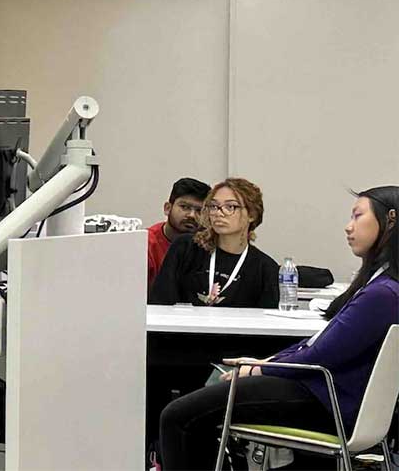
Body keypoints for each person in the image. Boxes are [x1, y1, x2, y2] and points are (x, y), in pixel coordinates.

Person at [158, 186, 399, 470]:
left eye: (358, 216)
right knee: (195, 410)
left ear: (390, 220)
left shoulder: (382, 293)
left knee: (177, 416)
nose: (348, 227)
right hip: (325, 393)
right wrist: (267, 361)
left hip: (326, 398)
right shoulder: (380, 287)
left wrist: (260, 368)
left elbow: (319, 354)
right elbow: (316, 347)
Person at [149, 178, 280, 308]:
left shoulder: (265, 270)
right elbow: (159, 304)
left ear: (252, 214)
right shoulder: (186, 248)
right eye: (214, 206)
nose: (219, 213)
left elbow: (267, 324)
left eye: (230, 207)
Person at [148, 178, 210, 287]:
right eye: (184, 207)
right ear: (168, 208)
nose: (191, 215)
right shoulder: (146, 244)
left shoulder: (209, 245)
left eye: (199, 210)